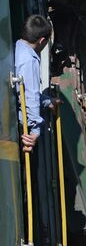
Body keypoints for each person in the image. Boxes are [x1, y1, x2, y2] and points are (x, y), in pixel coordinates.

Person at [14, 14, 58, 153]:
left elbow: (24, 89)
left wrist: (47, 101)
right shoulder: (30, 60)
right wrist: (35, 131)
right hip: (22, 130)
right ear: (42, 41)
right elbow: (30, 96)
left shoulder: (17, 48)